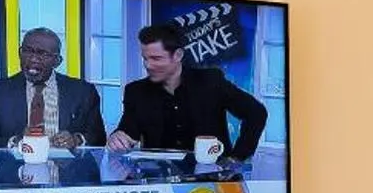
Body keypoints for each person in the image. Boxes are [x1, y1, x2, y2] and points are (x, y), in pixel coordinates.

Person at [108, 21, 268, 160]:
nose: (148, 65)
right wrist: (118, 137)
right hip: (160, 182)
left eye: (156, 58)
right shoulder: (136, 91)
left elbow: (256, 113)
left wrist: (237, 158)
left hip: (212, 181)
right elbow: (128, 131)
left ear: (177, 55)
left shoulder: (211, 81)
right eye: (145, 58)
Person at [0, 26, 108, 151]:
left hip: (66, 173)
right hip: (13, 173)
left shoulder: (83, 91)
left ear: (57, 61)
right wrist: (17, 141)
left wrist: (76, 140)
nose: (33, 59)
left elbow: (99, 137)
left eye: (42, 54)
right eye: (27, 51)